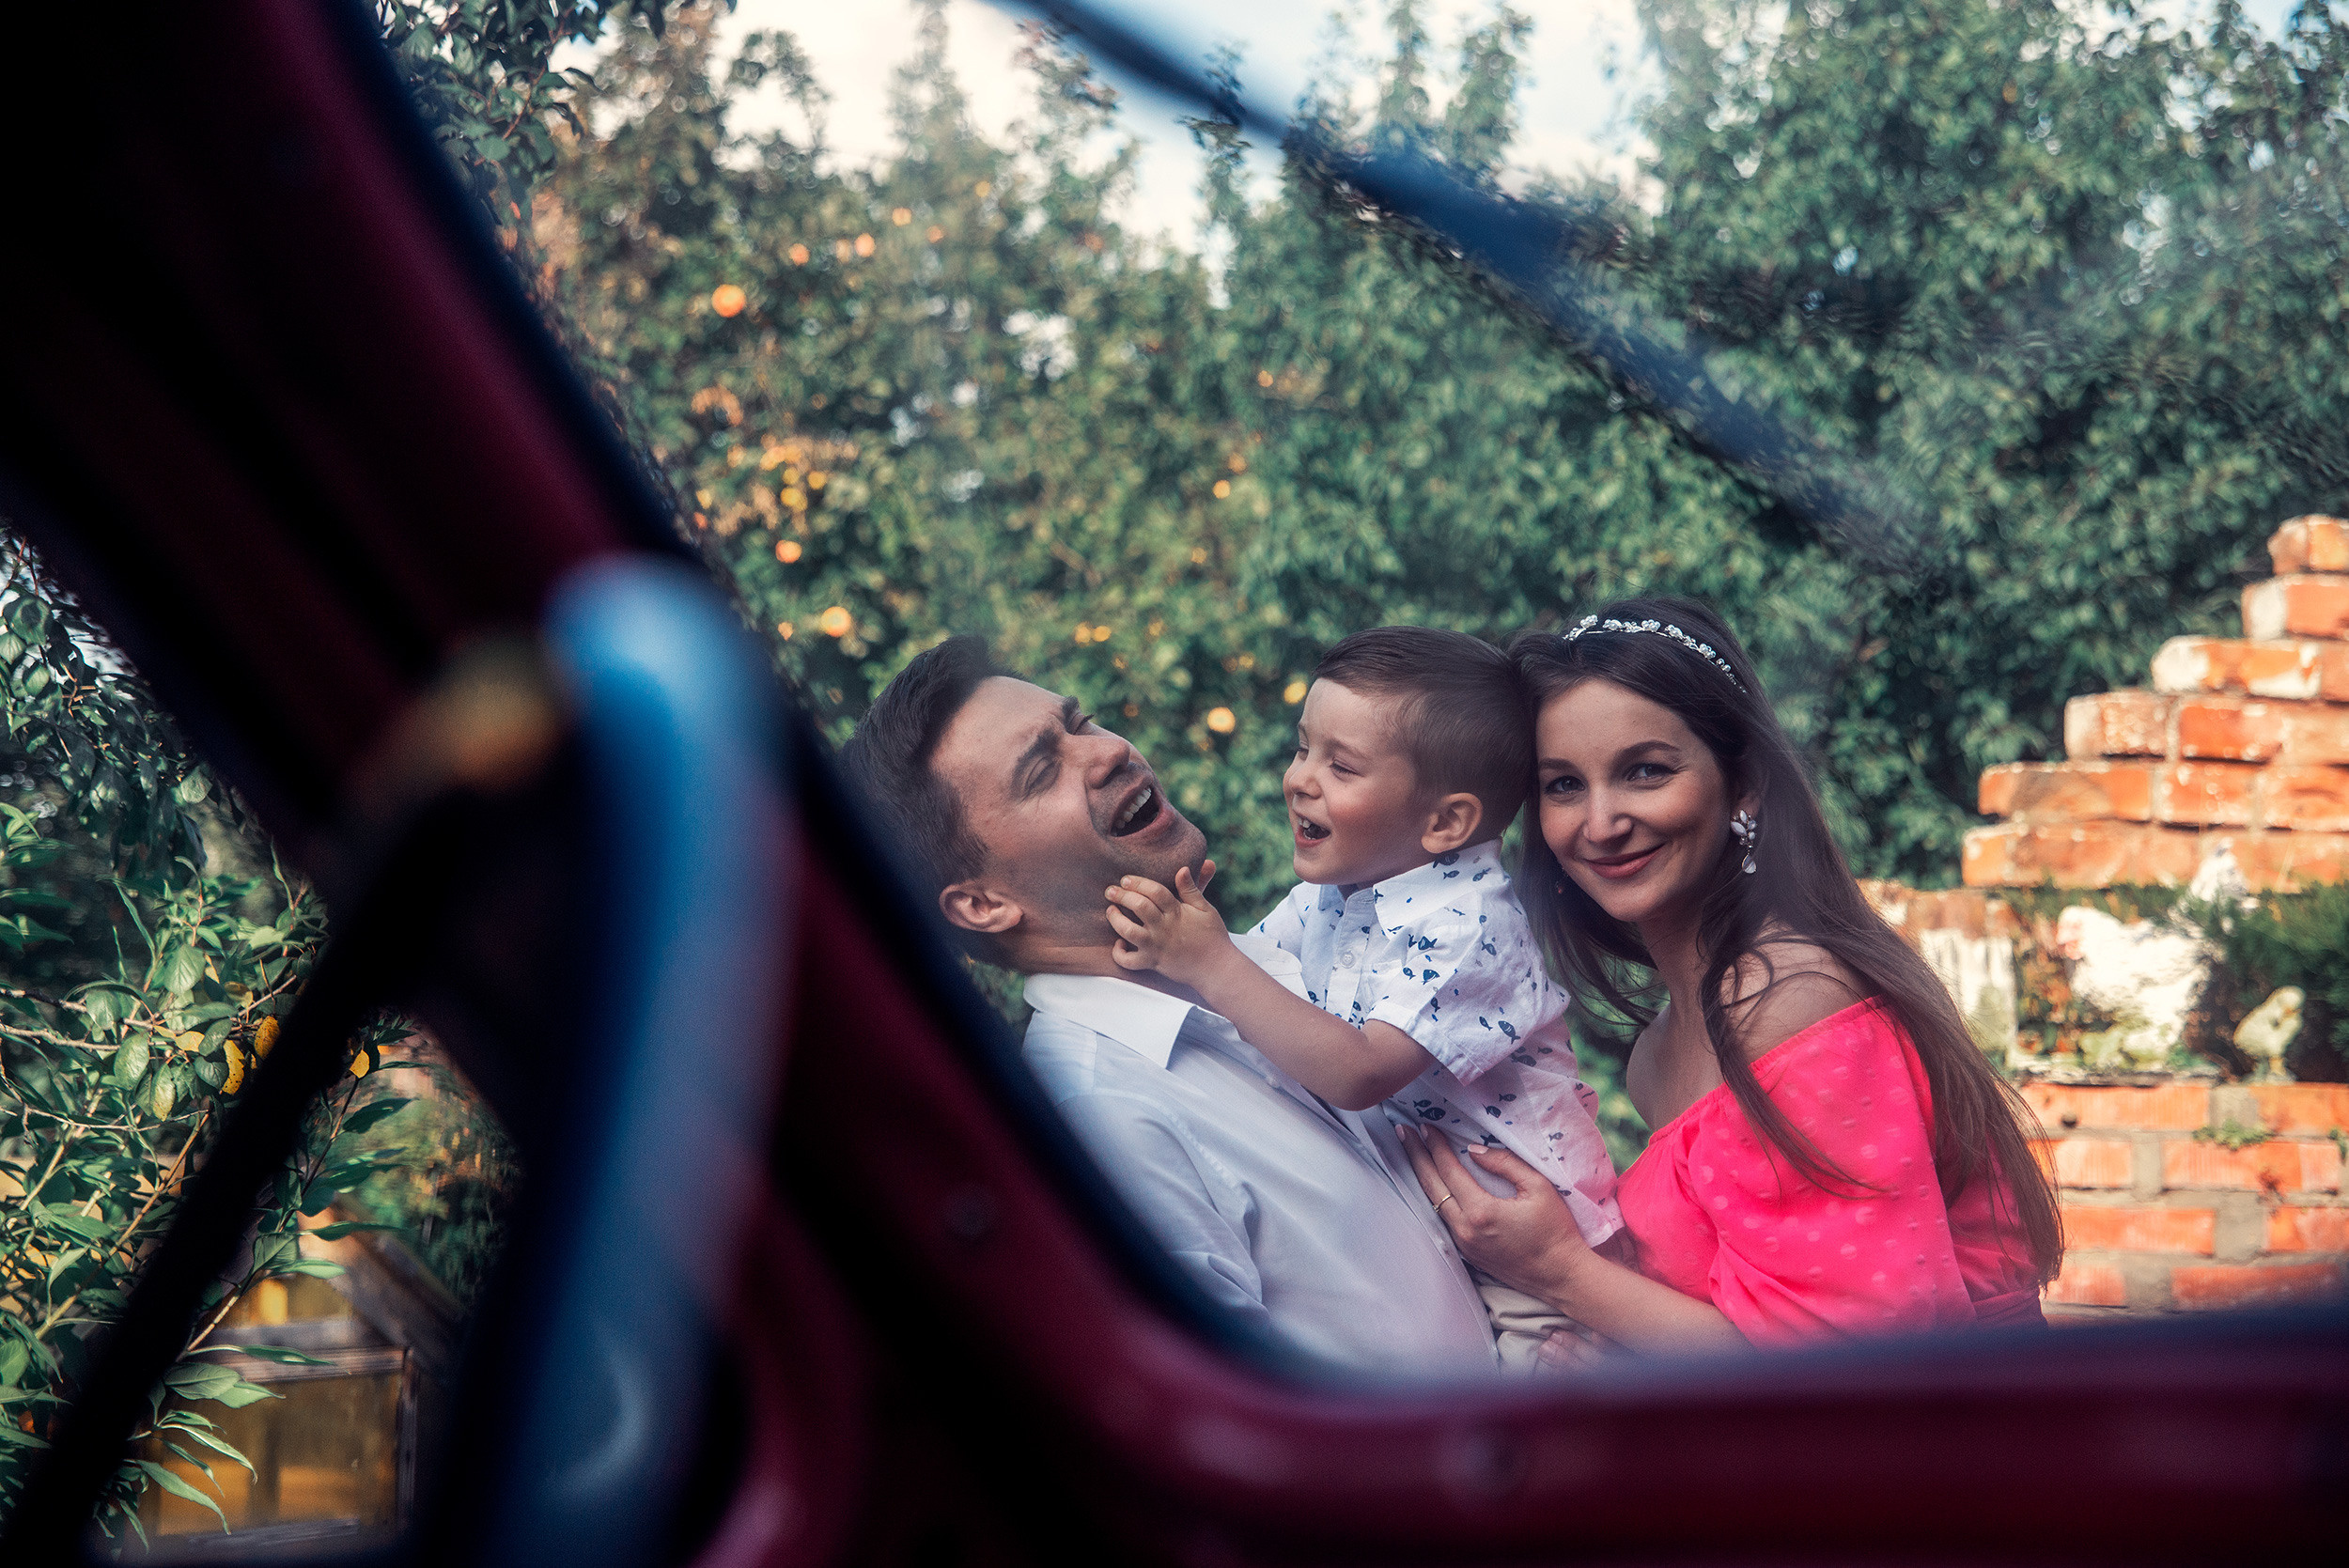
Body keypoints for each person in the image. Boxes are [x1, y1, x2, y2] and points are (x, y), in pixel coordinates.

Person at [1399, 597, 2061, 1351]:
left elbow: (1857, 1367)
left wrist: (1561, 1271)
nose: (1601, 821)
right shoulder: (1658, 1053)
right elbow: (1747, 1317)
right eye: (1564, 785)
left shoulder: (1791, 1004)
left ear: (1741, 784)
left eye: (1645, 771)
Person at [840, 635, 1499, 1375]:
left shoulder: (1271, 960)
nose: (1107, 751)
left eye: (1080, 723)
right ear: (982, 903)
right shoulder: (1101, 1119)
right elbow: (1251, 1434)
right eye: (1042, 769)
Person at [1102, 627, 1621, 1371]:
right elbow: (1255, 978)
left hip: (1530, 1238)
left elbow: (1356, 1071)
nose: (1299, 779)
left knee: (1537, 1429)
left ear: (1446, 822)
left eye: (1340, 765)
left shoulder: (1473, 923)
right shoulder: (1337, 894)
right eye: (1301, 747)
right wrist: (1185, 935)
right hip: (1443, 1218)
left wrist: (1207, 955)